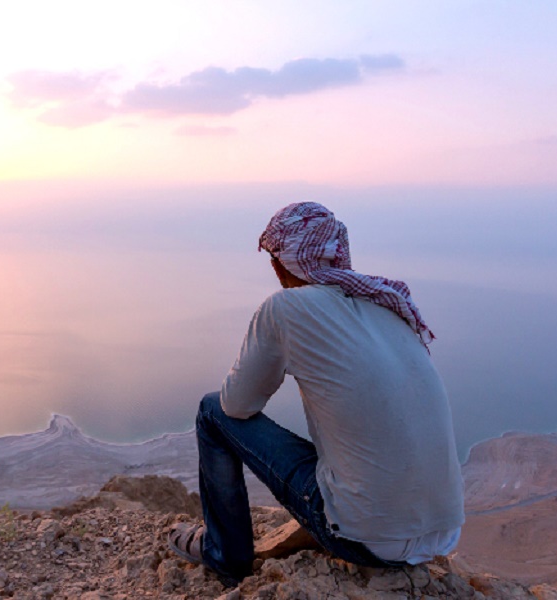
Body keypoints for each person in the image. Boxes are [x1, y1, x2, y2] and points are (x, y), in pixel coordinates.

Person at [168, 202, 465, 585]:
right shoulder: (388, 305)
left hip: (367, 540)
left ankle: (225, 555)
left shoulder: (285, 308)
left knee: (212, 411)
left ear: (279, 264)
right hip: (443, 533)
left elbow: (236, 406)